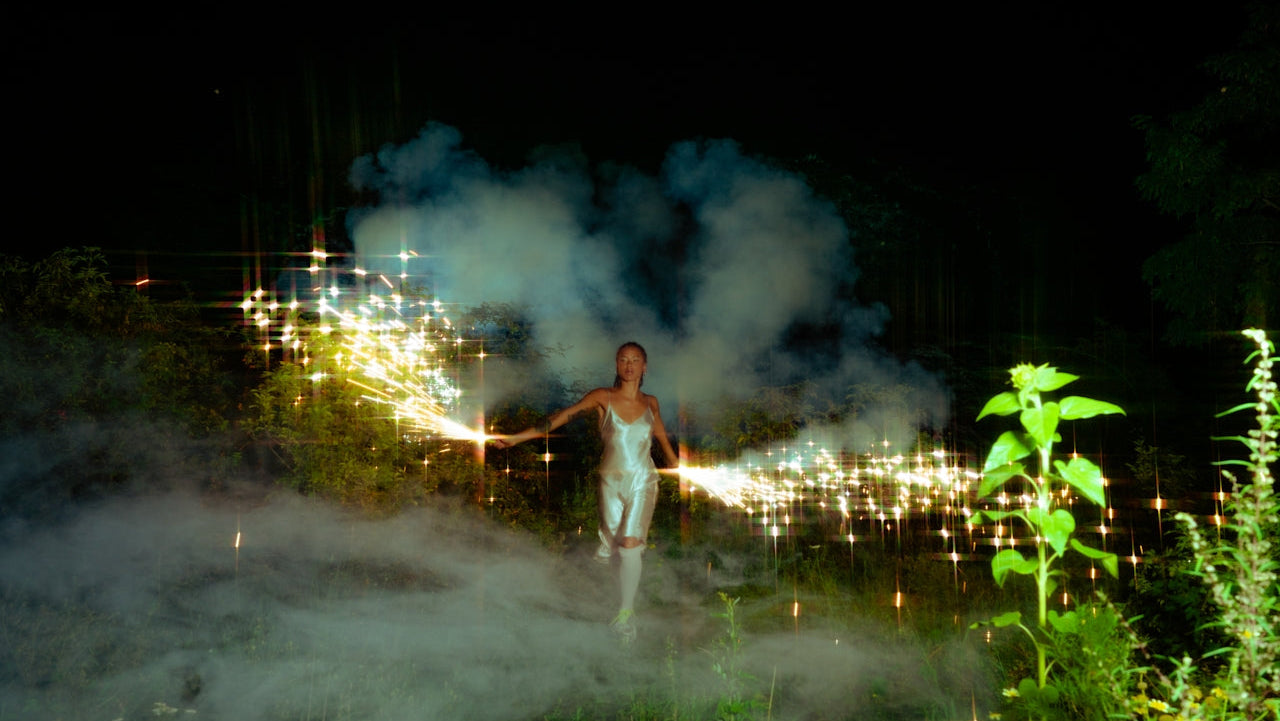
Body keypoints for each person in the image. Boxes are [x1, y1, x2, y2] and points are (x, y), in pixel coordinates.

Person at [492, 342, 678, 644]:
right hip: (610, 482)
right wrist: (516, 438)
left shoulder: (651, 403)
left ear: (645, 367)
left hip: (643, 479)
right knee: (612, 549)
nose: (629, 365)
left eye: (636, 360)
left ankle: (626, 616)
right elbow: (562, 416)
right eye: (623, 359)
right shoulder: (601, 397)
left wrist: (678, 466)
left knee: (631, 542)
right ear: (616, 364)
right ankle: (599, 600)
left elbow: (661, 437)